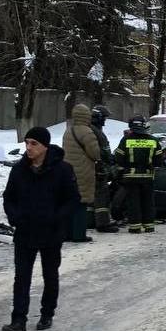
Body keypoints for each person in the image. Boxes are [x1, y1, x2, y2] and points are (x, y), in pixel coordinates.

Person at [1, 127, 80, 331]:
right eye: (27, 142)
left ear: (45, 146)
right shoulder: (19, 170)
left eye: (34, 143)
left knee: (50, 274)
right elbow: (9, 197)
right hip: (25, 232)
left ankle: (47, 312)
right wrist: (15, 216)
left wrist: (57, 218)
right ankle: (18, 320)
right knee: (22, 277)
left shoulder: (63, 170)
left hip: (51, 232)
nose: (29, 147)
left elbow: (72, 200)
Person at [113, 115, 163, 232]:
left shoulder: (126, 140)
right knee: (148, 201)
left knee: (133, 202)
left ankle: (135, 227)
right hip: (148, 176)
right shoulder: (153, 141)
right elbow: (159, 160)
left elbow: (118, 158)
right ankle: (149, 226)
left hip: (131, 177)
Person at [62, 102, 100, 243]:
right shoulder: (87, 132)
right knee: (81, 205)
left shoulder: (68, 131)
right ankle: (79, 234)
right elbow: (95, 153)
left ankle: (67, 233)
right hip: (83, 172)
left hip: (68, 172)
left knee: (70, 204)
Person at [89, 105, 120, 233]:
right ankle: (103, 223)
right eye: (104, 118)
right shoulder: (97, 133)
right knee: (102, 195)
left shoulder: (84, 128)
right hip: (97, 169)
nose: (105, 121)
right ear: (98, 118)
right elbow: (105, 152)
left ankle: (90, 220)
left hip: (85, 168)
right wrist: (113, 161)